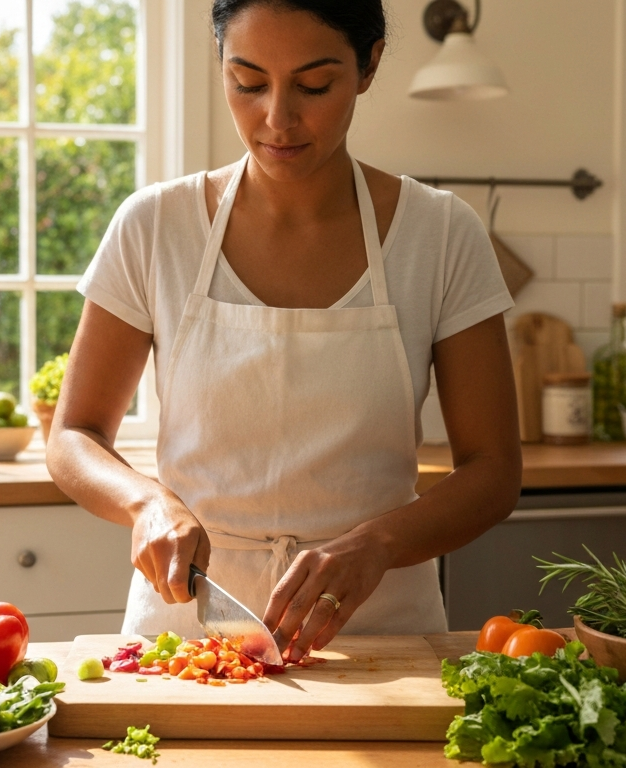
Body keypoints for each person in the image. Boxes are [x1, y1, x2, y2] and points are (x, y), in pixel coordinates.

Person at [45, 0, 522, 662]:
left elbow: (494, 469)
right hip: (185, 634)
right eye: (248, 82)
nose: (277, 117)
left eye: (314, 84)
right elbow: (73, 436)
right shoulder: (155, 226)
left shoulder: (441, 234)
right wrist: (145, 505)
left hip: (381, 637)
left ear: (369, 65)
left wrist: (375, 545)